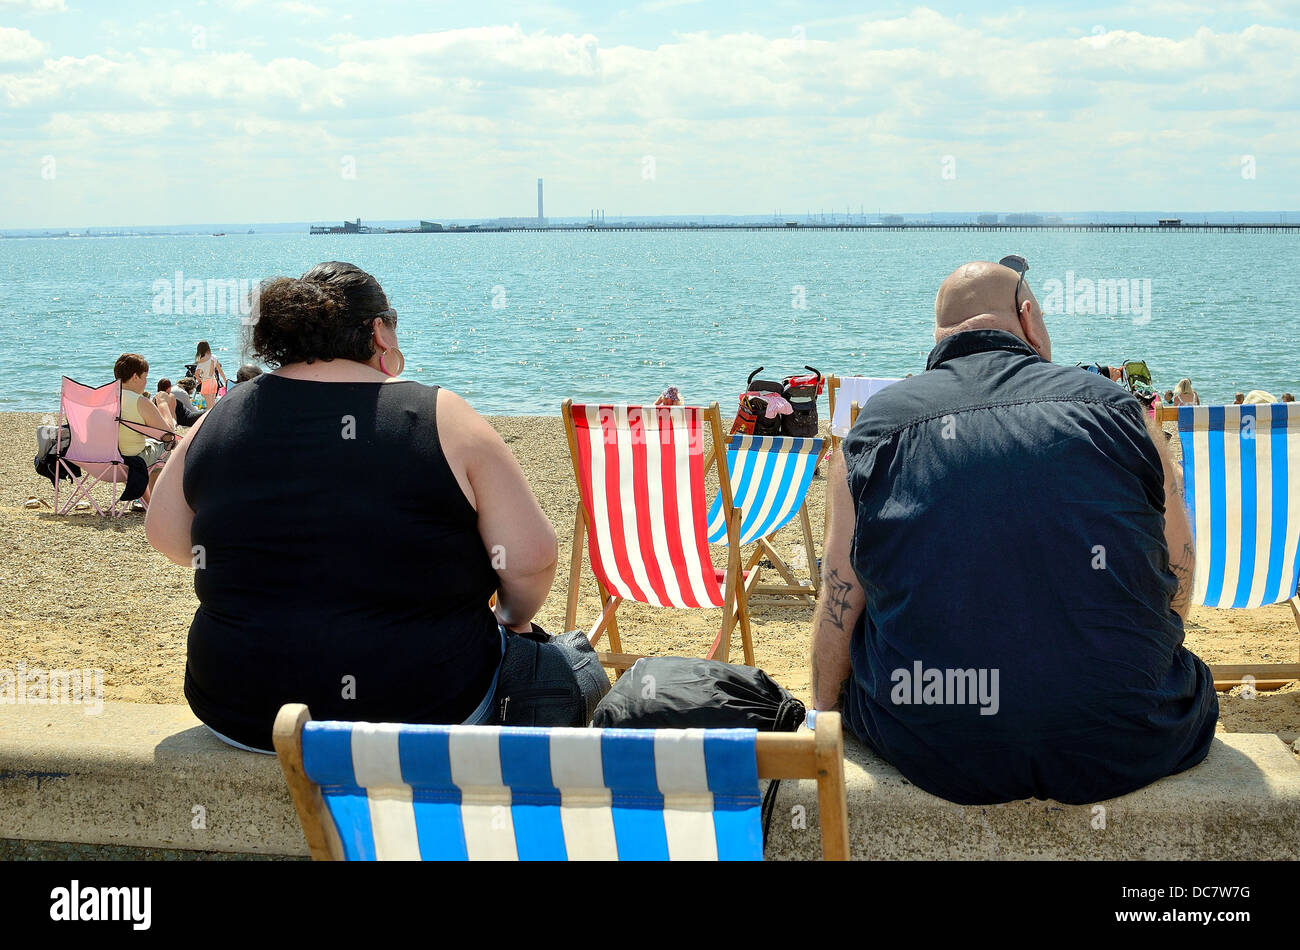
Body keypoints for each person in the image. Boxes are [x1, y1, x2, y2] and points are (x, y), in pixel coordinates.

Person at [809, 259, 1216, 806]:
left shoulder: (872, 432)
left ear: (939, 337)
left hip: (937, 745)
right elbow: (1178, 567)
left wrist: (821, 715)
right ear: (1028, 317)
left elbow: (840, 596)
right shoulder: (1121, 412)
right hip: (1132, 735)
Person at [146, 262, 559, 753]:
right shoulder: (441, 416)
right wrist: (511, 615)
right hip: (426, 709)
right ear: (378, 330)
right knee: (560, 666)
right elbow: (531, 558)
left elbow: (167, 536)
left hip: (239, 710)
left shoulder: (224, 413)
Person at [114, 354, 175, 504]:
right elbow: (168, 435)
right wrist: (163, 404)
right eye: (145, 377)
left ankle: (144, 500)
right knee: (165, 448)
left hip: (101, 461)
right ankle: (154, 502)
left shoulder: (105, 397)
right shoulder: (140, 401)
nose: (146, 382)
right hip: (129, 461)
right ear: (135, 377)